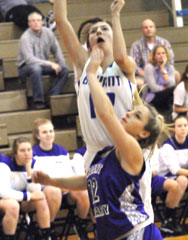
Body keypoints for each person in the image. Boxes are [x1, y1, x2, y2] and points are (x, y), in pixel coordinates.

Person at [33, 45, 164, 240]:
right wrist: (51, 181)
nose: (128, 113)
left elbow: (105, 113)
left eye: (136, 115)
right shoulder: (107, 154)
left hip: (137, 233)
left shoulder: (133, 150)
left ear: (144, 133)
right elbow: (86, 181)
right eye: (132, 111)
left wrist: (92, 73)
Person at [53, 0, 136, 169]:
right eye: (93, 31)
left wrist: (115, 16)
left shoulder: (126, 67)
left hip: (127, 150)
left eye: (104, 29)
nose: (98, 32)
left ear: (113, 35)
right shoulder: (83, 64)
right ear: (88, 42)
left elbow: (119, 56)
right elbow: (61, 21)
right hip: (95, 154)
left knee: (137, 206)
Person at [32, 118, 90, 224]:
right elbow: (38, 179)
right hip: (46, 190)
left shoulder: (62, 151)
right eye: (44, 132)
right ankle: (48, 227)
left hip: (64, 190)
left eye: (51, 131)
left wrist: (65, 185)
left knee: (83, 192)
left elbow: (67, 173)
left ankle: (81, 224)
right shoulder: (33, 153)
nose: (49, 134)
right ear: (37, 136)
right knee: (53, 190)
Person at [0, 137, 51, 240]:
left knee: (41, 198)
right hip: (4, 200)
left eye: (29, 150)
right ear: (15, 153)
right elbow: (4, 193)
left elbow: (36, 191)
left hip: (22, 199)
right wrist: (28, 196)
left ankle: (45, 235)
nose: (27, 154)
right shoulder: (4, 164)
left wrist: (29, 173)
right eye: (22, 151)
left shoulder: (34, 163)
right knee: (13, 206)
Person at [17, 12, 69, 110]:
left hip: (41, 65)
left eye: (38, 20)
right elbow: (29, 59)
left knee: (65, 69)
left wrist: (60, 65)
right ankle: (38, 101)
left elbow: (57, 51)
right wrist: (50, 63)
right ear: (29, 24)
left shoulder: (48, 33)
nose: (36, 23)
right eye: (33, 21)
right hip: (25, 67)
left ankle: (51, 97)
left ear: (42, 22)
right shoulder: (25, 37)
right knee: (35, 68)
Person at [158, 116, 188, 226]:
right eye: (179, 126)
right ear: (174, 129)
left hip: (186, 174)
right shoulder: (168, 145)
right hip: (167, 176)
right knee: (182, 180)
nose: (183, 128)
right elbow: (176, 170)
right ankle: (169, 218)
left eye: (185, 125)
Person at [130, 18, 180, 86]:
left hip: (163, 72)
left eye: (151, 27)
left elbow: (170, 60)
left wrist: (162, 71)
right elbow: (133, 65)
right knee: (136, 81)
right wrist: (146, 74)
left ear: (155, 29)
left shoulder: (164, 42)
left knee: (176, 75)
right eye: (146, 27)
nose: (148, 29)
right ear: (142, 30)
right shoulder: (136, 45)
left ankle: (173, 96)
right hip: (144, 75)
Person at [151, 145, 187, 235]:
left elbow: (155, 169)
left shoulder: (153, 145)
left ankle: (168, 221)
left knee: (175, 185)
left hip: (152, 176)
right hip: (135, 177)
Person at [143, 45, 176, 112]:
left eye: (163, 53)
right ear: (154, 56)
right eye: (158, 54)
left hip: (164, 95)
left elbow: (172, 84)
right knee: (172, 90)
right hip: (152, 97)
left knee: (176, 90)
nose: (161, 56)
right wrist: (165, 88)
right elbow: (154, 88)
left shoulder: (170, 67)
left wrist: (162, 69)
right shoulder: (149, 67)